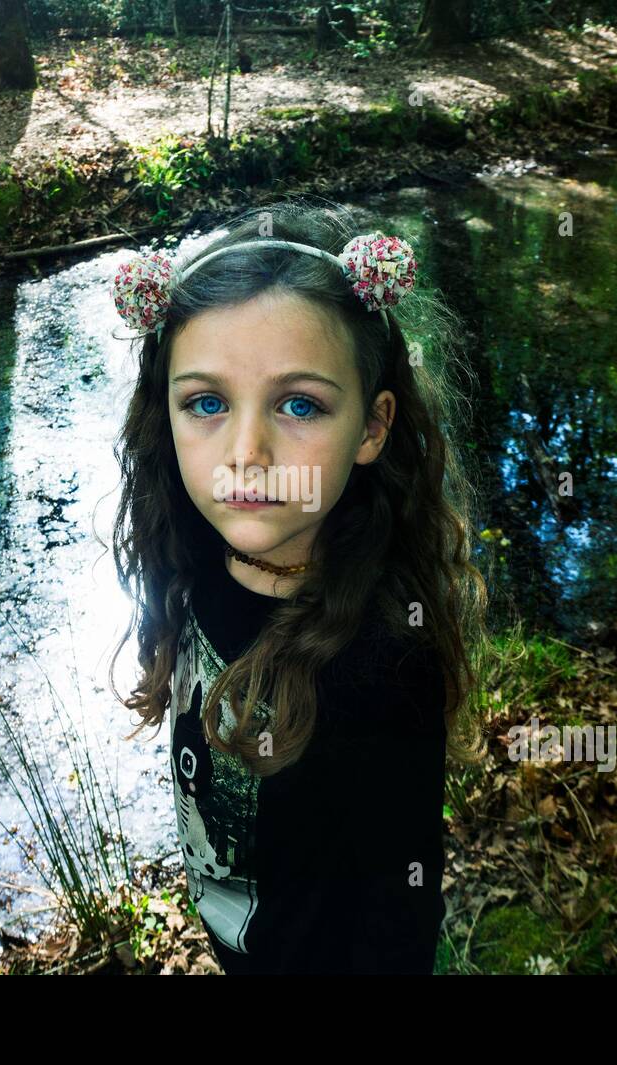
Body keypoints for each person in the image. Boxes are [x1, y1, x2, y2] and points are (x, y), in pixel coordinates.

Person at [109, 198, 487, 974]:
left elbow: (399, 915)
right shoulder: (188, 569)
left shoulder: (383, 662)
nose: (247, 451)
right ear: (165, 413)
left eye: (300, 404)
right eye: (207, 402)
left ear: (374, 427)